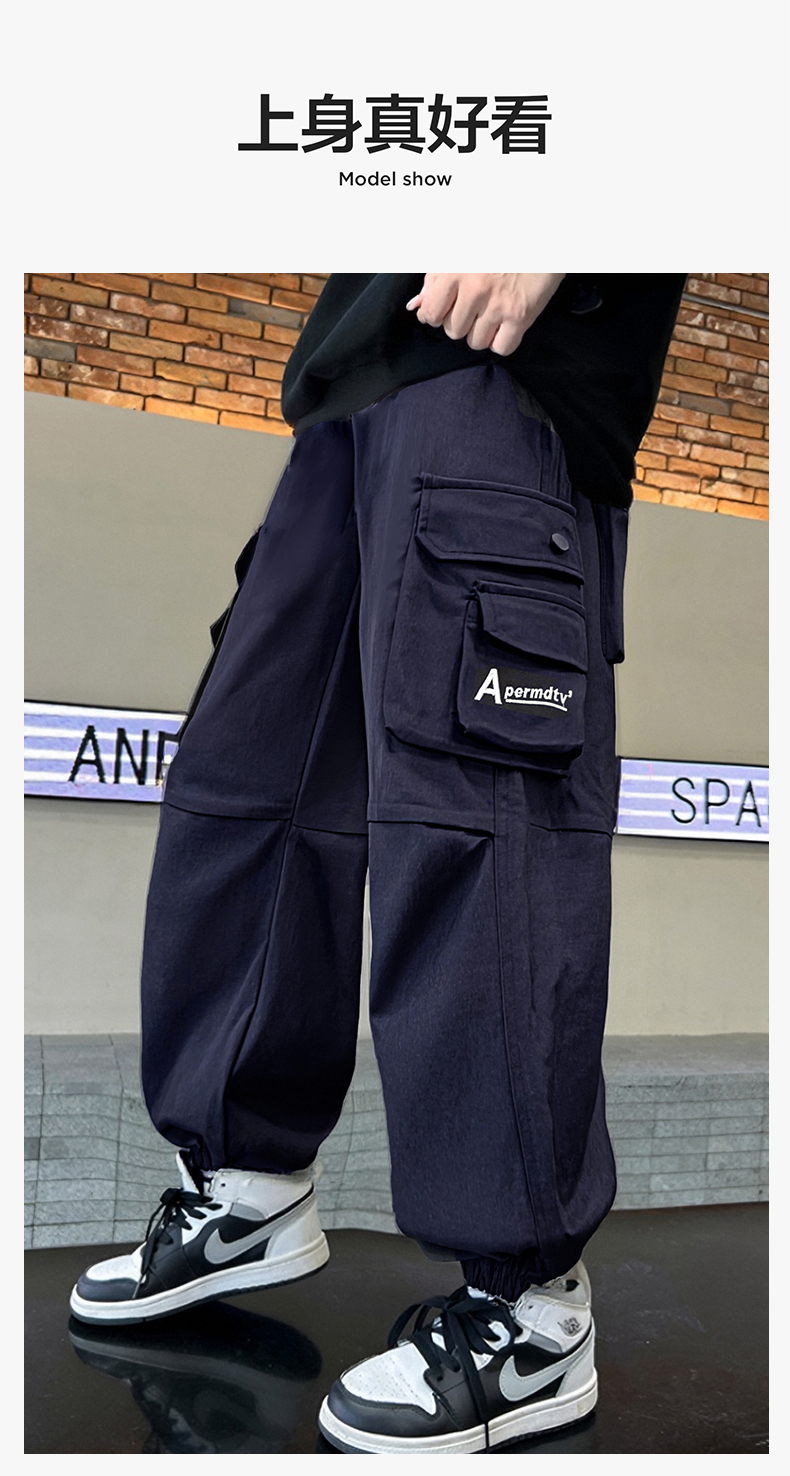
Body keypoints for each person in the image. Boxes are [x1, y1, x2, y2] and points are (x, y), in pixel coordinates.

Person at [69, 273, 686, 1454]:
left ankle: (529, 1310)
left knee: (475, 816)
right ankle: (247, 1187)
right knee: (248, 790)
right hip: (348, 389)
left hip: (510, 361)